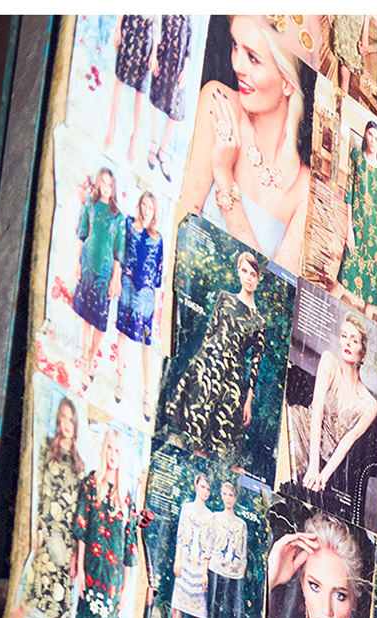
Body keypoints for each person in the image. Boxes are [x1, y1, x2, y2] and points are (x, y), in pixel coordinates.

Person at [178, 14, 310, 270]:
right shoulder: (218, 103)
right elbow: (182, 221)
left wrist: (225, 177)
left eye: (253, 57)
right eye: (235, 45)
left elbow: (269, 293)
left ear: (287, 82)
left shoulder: (304, 187)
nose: (237, 65)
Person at [161, 248, 268, 463]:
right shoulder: (225, 298)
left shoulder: (260, 322)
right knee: (194, 421)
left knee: (217, 432)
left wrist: (248, 401)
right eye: (245, 271)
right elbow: (210, 332)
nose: (248, 277)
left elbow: (255, 363)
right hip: (207, 366)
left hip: (231, 377)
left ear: (258, 278)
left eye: (253, 274)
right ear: (239, 271)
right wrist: (198, 365)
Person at [297, 317, 377, 527]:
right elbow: (317, 408)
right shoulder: (329, 361)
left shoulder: (370, 405)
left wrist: (323, 476)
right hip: (304, 428)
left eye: (354, 340)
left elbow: (348, 440)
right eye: (344, 336)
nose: (346, 343)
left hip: (329, 457)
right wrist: (313, 466)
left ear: (363, 353)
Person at [69, 434, 142, 618]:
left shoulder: (126, 497)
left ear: (123, 456)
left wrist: (124, 589)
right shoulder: (91, 484)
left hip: (113, 578)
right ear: (104, 450)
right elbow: (82, 528)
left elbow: (129, 546)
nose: (112, 454)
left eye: (117, 450)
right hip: (91, 569)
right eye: (109, 448)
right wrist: (80, 569)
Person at [20, 398, 87, 618]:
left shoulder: (79, 465)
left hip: (66, 544)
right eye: (64, 417)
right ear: (58, 419)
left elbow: (78, 513)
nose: (67, 423)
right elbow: (38, 491)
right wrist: (38, 530)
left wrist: (76, 556)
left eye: (72, 419)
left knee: (56, 616)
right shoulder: (48, 449)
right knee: (29, 598)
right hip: (46, 534)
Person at [72, 168, 126, 392]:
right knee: (86, 318)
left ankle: (91, 357)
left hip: (105, 272)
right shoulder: (90, 206)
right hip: (87, 264)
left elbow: (119, 252)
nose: (105, 186)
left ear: (113, 187)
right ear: (98, 183)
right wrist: (77, 263)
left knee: (100, 324)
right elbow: (82, 235)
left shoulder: (119, 216)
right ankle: (85, 363)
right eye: (102, 182)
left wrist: (116, 279)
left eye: (109, 183)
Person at [112, 190, 165, 407]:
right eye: (144, 204)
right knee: (123, 335)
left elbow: (158, 275)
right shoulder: (128, 226)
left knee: (145, 342)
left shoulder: (158, 238)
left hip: (145, 297)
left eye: (150, 206)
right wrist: (116, 278)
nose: (146, 209)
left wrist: (157, 305)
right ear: (139, 205)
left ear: (155, 212)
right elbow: (120, 253)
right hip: (127, 287)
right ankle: (119, 381)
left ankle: (147, 393)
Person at [203, 476, 253, 618]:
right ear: (221, 496)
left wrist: (240, 573)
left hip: (235, 576)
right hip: (215, 570)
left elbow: (242, 553)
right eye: (224, 494)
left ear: (236, 497)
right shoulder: (215, 517)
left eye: (231, 494)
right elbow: (209, 544)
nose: (227, 498)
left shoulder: (241, 524)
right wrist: (205, 572)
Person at [338, 120, 377, 314]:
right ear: (365, 136)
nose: (372, 139)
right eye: (370, 134)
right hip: (357, 231)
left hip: (375, 242)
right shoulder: (357, 158)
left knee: (370, 298)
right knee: (343, 282)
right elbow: (349, 195)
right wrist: (349, 231)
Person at [169, 470, 218, 618]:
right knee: (176, 609)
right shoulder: (186, 509)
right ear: (195, 487)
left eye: (208, 488)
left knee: (198, 614)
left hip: (199, 567)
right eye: (202, 487)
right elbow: (180, 536)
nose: (205, 491)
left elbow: (209, 546)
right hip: (185, 562)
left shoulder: (211, 516)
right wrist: (177, 560)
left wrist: (205, 572)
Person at [144, 13, 194, 182]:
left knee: (176, 112)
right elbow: (156, 30)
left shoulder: (187, 15)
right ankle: (153, 143)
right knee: (156, 102)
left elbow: (189, 42)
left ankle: (162, 150)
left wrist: (186, 69)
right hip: (163, 58)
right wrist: (154, 56)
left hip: (179, 65)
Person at [106, 15, 155, 158]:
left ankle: (135, 136)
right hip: (129, 25)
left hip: (147, 33)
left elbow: (158, 19)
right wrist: (118, 27)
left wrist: (155, 52)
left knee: (140, 90)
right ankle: (111, 124)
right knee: (119, 78)